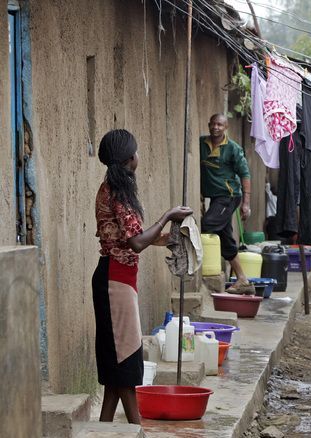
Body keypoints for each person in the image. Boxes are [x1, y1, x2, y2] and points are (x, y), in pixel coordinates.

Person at [93, 129, 192, 424]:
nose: (138, 156)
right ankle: (138, 429)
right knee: (126, 362)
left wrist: (170, 236)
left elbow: (133, 238)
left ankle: (105, 428)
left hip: (118, 278)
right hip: (115, 280)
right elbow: (136, 241)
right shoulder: (116, 191)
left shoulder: (116, 187)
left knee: (117, 367)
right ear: (128, 158)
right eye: (135, 152)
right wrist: (167, 215)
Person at [200, 114, 254, 293]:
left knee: (208, 223)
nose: (216, 127)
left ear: (226, 127)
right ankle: (242, 279)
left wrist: (246, 203)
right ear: (209, 125)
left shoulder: (233, 149)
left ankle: (206, 268)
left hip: (229, 196)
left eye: (220, 125)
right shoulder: (201, 144)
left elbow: (245, 175)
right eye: (213, 124)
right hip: (216, 198)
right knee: (226, 238)